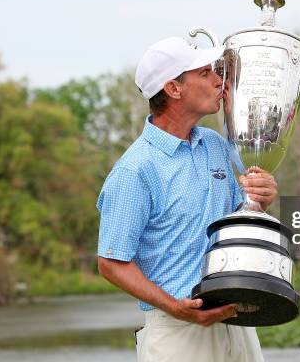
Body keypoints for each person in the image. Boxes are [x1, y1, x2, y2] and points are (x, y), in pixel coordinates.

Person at [96, 37, 278, 362]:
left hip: (236, 322)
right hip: (177, 331)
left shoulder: (213, 144)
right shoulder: (135, 169)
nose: (218, 81)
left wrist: (260, 198)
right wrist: (175, 307)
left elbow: (239, 214)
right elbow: (111, 262)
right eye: (205, 73)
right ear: (174, 89)